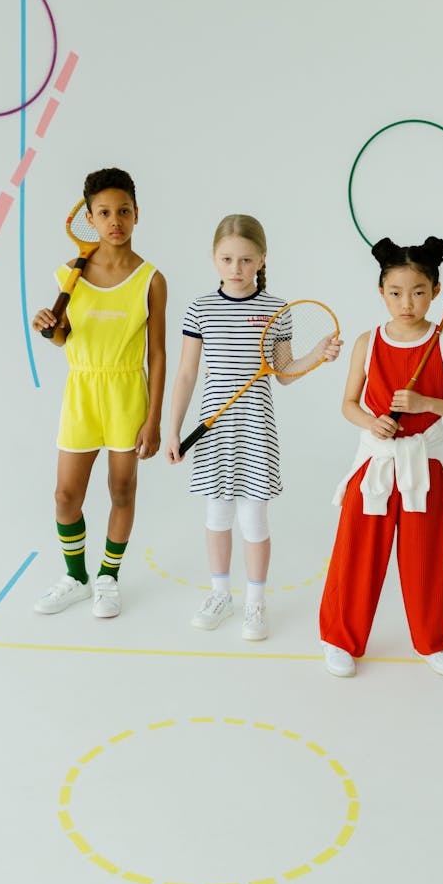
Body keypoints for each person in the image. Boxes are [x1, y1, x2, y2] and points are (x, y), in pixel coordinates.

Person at [166, 214, 341, 641]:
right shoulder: (200, 308)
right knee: (217, 515)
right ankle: (220, 595)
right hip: (213, 430)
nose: (236, 269)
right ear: (213, 259)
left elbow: (283, 372)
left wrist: (317, 355)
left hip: (256, 430)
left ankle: (255, 603)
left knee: (254, 520)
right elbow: (187, 373)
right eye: (227, 259)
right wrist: (174, 429)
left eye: (246, 260)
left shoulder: (277, 310)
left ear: (262, 259)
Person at [319, 236, 443, 678]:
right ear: (381, 292)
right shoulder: (366, 342)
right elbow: (349, 404)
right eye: (395, 292)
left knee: (425, 557)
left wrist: (429, 404)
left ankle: (432, 643)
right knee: (356, 555)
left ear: (434, 291)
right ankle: (340, 639)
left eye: (417, 292)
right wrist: (371, 422)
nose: (406, 302)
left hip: (422, 468)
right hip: (374, 465)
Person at [32, 167, 167, 618]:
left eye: (123, 211)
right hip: (82, 391)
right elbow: (63, 338)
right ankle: (76, 576)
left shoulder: (151, 278)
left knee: (122, 490)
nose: (115, 221)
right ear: (89, 218)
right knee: (65, 496)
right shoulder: (69, 274)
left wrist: (154, 418)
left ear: (136, 215)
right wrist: (49, 327)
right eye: (105, 212)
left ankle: (109, 576)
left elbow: (158, 354)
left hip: (128, 392)